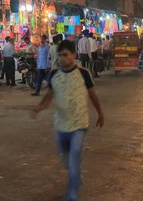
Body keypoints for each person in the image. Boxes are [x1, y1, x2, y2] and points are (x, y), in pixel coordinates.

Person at [30, 40, 104, 201]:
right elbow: (48, 98)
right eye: (59, 56)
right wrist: (38, 108)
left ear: (74, 55)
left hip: (79, 124)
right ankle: (75, 176)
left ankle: (72, 195)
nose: (62, 59)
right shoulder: (54, 75)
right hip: (61, 125)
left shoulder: (84, 74)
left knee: (74, 155)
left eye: (65, 55)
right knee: (66, 159)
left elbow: (93, 95)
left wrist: (100, 113)